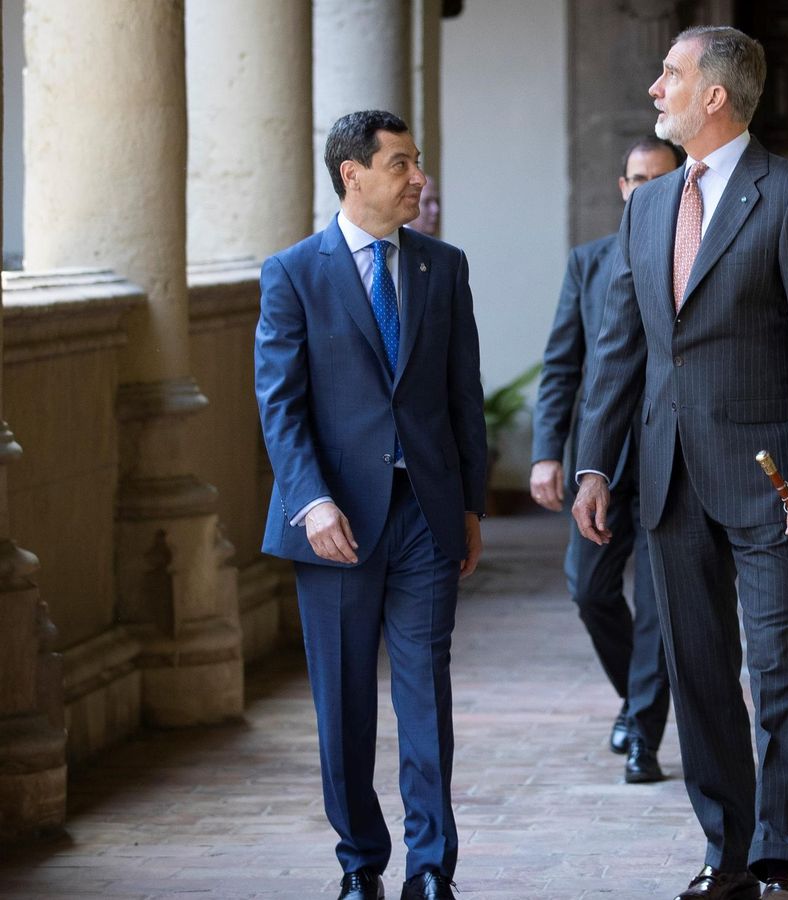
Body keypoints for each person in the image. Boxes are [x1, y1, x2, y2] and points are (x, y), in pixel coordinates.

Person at [570, 26, 788, 900]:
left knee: (775, 674)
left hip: (769, 485)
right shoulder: (646, 206)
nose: (657, 89)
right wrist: (593, 466)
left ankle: (780, 857)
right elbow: (622, 348)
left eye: (671, 76)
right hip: (668, 480)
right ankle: (725, 854)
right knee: (698, 678)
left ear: (716, 95)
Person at [256, 109, 486, 900]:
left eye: (416, 162)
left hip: (426, 512)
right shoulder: (293, 273)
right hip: (338, 526)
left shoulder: (441, 267)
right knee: (345, 703)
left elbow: (464, 396)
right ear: (352, 175)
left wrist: (471, 505)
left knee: (426, 692)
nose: (418, 178)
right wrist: (310, 502)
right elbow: (279, 405)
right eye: (401, 164)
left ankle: (431, 870)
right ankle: (360, 862)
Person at [529, 135, 682, 784]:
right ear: (622, 188)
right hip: (603, 462)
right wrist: (546, 455)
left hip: (675, 462)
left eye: (660, 179)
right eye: (637, 179)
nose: (646, 190)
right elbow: (562, 365)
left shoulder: (693, 258)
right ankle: (635, 697)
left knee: (658, 605)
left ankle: (644, 733)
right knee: (589, 589)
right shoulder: (588, 263)